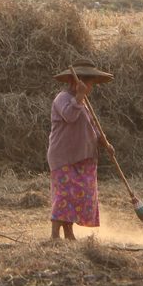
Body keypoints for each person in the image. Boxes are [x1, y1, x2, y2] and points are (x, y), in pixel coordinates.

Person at [47, 59, 115, 240]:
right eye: (89, 83)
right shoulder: (62, 99)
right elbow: (69, 116)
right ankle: (55, 235)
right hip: (64, 156)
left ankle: (69, 233)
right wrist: (78, 97)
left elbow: (92, 127)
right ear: (77, 82)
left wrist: (105, 143)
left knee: (79, 194)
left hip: (84, 156)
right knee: (65, 194)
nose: (90, 87)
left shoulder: (84, 104)